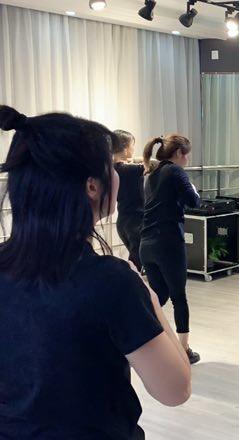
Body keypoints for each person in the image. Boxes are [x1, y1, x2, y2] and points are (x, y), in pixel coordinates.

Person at [0, 106, 191, 439]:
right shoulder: (110, 281)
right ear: (92, 185)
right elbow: (175, 389)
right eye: (111, 166)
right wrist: (147, 294)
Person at [139, 135, 201, 364]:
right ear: (178, 154)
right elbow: (194, 201)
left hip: (147, 244)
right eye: (187, 154)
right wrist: (193, 189)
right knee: (178, 297)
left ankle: (144, 338)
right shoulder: (175, 171)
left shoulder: (152, 174)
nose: (188, 159)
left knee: (159, 296)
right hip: (168, 244)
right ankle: (184, 350)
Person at [112, 130, 145, 272]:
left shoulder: (111, 168)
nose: (133, 149)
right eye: (132, 145)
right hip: (135, 221)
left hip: (122, 221)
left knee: (136, 260)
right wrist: (137, 160)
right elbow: (155, 164)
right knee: (136, 264)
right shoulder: (132, 170)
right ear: (125, 149)